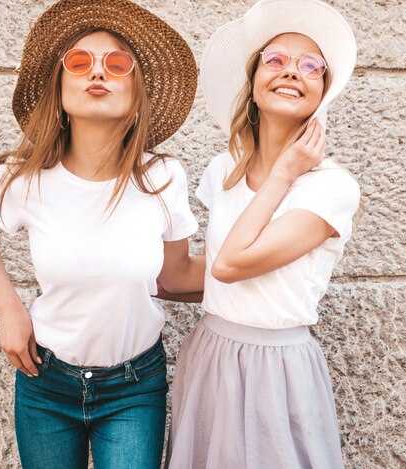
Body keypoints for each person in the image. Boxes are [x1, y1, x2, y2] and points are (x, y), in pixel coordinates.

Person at [0, 0, 202, 467]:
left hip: (134, 387)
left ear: (136, 90)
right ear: (60, 88)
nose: (98, 73)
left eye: (117, 64)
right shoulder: (27, 178)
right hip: (45, 382)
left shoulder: (162, 176)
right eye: (80, 62)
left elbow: (178, 276)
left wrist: (270, 261)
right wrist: (9, 308)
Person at [166, 0, 359, 467]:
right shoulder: (222, 170)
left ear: (321, 93)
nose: (291, 71)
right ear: (252, 84)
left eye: (310, 66)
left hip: (278, 365)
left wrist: (284, 172)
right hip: (211, 352)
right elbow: (201, 273)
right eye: (275, 60)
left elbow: (231, 266)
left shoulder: (332, 188)